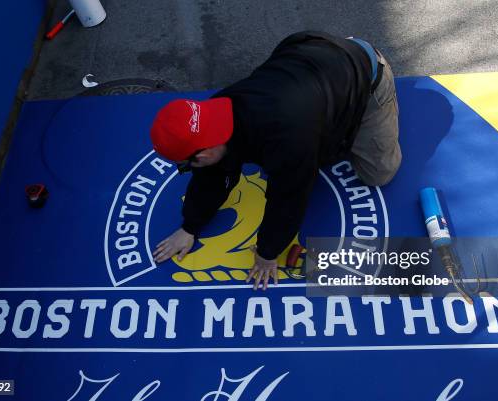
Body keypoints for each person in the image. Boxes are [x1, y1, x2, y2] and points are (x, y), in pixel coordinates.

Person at [149, 30, 400, 290]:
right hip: (309, 62)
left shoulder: (287, 139)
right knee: (302, 152)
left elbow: (288, 201)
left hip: (363, 73)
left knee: (378, 173)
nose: (190, 169)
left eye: (187, 164)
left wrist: (267, 254)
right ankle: (336, 74)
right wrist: (190, 226)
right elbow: (212, 177)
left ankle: (366, 76)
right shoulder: (213, 114)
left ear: (203, 154)